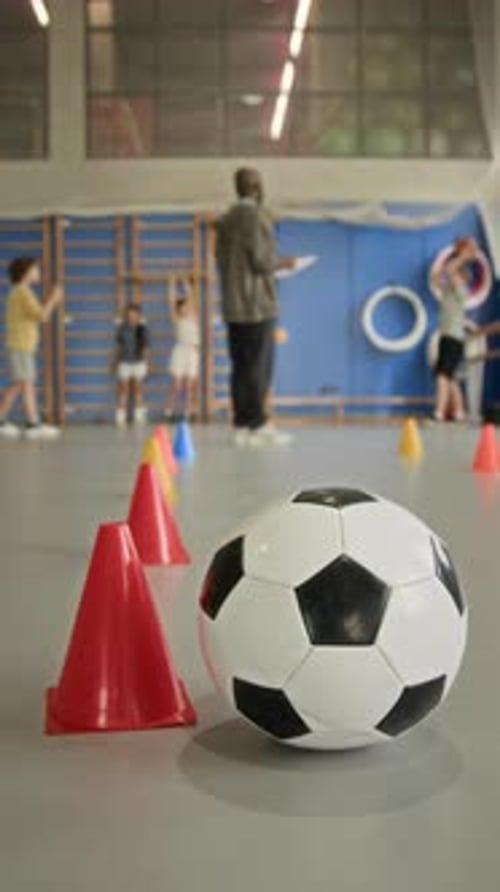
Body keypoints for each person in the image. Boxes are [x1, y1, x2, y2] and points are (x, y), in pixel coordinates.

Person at [215, 168, 297, 447]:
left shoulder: (225, 221)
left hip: (232, 306)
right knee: (259, 366)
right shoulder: (257, 218)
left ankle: (240, 425)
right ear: (257, 188)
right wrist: (284, 263)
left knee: (239, 366)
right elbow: (261, 262)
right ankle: (258, 424)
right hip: (257, 306)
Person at [0, 257, 61, 439]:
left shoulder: (20, 292)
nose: (38, 273)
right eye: (35, 269)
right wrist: (54, 299)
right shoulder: (23, 292)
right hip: (21, 345)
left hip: (21, 345)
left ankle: (27, 422)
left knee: (23, 382)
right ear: (26, 272)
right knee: (23, 382)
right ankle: (32, 423)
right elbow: (42, 315)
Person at [431, 237, 479, 422]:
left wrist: (463, 256)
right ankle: (459, 412)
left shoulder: (460, 289)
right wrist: (460, 256)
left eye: (457, 274)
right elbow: (437, 277)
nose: (452, 276)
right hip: (448, 336)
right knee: (449, 378)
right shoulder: (449, 291)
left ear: (462, 277)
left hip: (453, 337)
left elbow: (449, 271)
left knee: (443, 376)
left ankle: (439, 413)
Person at [165, 276, 200, 421]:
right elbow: (171, 301)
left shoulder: (193, 317)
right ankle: (169, 410)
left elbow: (191, 297)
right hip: (180, 350)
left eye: (187, 306)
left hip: (192, 351)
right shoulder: (177, 319)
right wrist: (171, 284)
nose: (186, 308)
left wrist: (186, 284)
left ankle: (188, 411)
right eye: (182, 306)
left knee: (189, 384)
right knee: (177, 383)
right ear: (179, 309)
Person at [114, 302, 150, 427]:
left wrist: (147, 363)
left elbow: (146, 347)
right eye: (130, 314)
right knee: (124, 387)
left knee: (138, 387)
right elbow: (119, 347)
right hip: (125, 361)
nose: (132, 316)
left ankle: (138, 414)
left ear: (138, 315)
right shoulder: (122, 329)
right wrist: (114, 361)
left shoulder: (142, 329)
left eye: (135, 314)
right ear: (127, 315)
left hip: (138, 361)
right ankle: (121, 414)